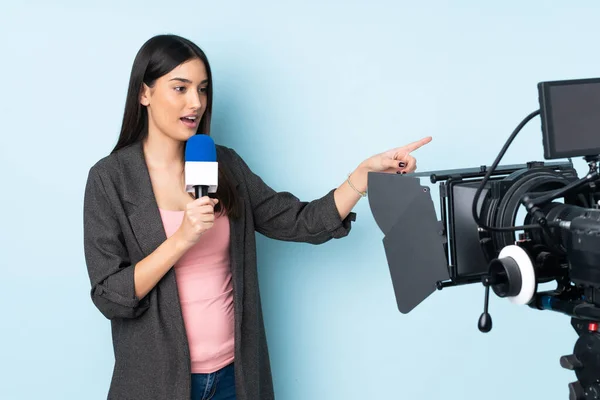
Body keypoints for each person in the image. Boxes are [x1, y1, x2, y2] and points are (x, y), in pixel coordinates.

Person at [83, 33, 431, 400]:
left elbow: (298, 221)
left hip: (236, 378)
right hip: (156, 384)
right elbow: (109, 295)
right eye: (180, 88)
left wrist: (360, 179)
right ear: (144, 93)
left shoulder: (225, 165)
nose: (195, 102)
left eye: (202, 89)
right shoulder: (110, 179)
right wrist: (182, 238)